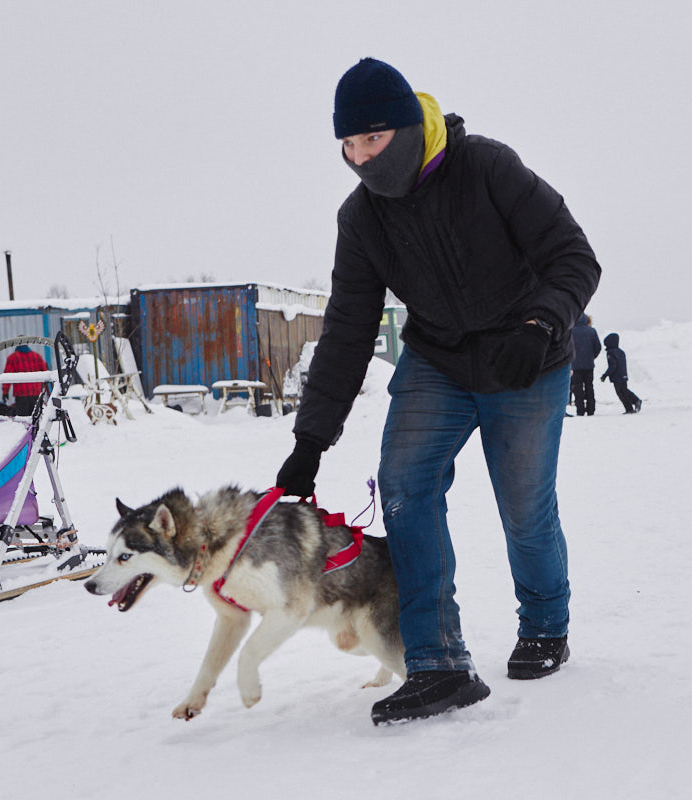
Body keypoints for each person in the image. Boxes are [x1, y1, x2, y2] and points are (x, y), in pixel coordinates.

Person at [274, 58, 601, 725]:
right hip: (440, 361)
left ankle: (545, 624)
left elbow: (574, 256)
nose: (362, 157)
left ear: (405, 126)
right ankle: (436, 660)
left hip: (526, 359)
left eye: (374, 139)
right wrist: (311, 439)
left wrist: (540, 323)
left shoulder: (484, 167)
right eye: (350, 145)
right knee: (404, 484)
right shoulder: (362, 219)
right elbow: (346, 330)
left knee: (524, 508)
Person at [2, 344, 49, 416]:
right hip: (36, 394)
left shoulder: (12, 358)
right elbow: (46, 375)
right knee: (36, 419)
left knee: (23, 421)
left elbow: (7, 376)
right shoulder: (37, 356)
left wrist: (5, 392)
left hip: (21, 395)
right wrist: (48, 392)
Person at [599, 332, 641, 414]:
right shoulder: (621, 351)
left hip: (617, 376)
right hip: (623, 375)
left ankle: (633, 403)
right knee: (624, 391)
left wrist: (605, 375)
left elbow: (613, 366)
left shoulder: (610, 352)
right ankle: (633, 404)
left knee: (621, 393)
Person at [570, 314, 601, 416]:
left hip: (575, 366)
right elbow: (598, 347)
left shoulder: (571, 331)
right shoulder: (592, 331)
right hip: (589, 366)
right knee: (589, 387)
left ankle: (580, 410)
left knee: (577, 389)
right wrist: (591, 357)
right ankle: (591, 409)